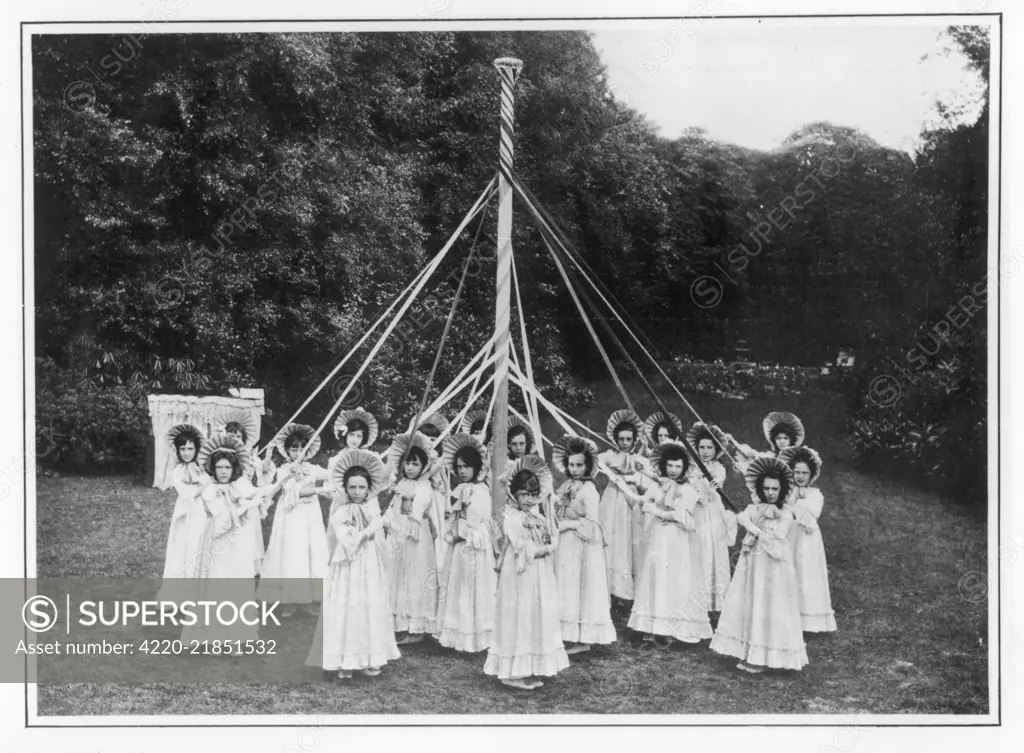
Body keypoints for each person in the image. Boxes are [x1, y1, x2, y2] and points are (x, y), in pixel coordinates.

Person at [181, 436, 288, 644]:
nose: (223, 471)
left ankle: (236, 639)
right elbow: (223, 519)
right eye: (219, 467)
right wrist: (247, 506)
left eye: (227, 468)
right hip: (216, 543)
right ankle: (211, 637)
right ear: (213, 468)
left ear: (234, 469)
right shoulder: (209, 489)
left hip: (237, 544)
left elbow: (261, 491)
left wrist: (283, 480)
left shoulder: (240, 486)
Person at [306, 449, 400, 680]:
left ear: (369, 488)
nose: (357, 492)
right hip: (347, 565)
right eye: (352, 488)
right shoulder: (340, 512)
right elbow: (349, 540)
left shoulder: (371, 509)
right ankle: (343, 659)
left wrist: (382, 522)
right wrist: (371, 528)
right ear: (345, 489)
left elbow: (386, 531)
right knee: (346, 607)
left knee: (368, 605)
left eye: (361, 487)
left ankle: (369, 657)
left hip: (368, 564)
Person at [710, 456, 808, 673]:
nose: (770, 492)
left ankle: (768, 656)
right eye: (766, 488)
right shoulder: (755, 509)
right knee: (751, 603)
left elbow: (774, 543)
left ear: (782, 489)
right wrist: (719, 496)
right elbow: (736, 516)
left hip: (774, 566)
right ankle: (750, 652)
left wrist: (752, 528)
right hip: (753, 564)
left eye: (775, 488)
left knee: (770, 605)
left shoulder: (785, 513)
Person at [484, 456, 568, 690]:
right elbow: (524, 547)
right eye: (523, 494)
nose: (529, 500)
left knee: (532, 614)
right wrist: (548, 549)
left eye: (533, 494)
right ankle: (512, 671)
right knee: (518, 613)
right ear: (513, 494)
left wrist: (550, 513)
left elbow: (550, 534)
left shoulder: (537, 514)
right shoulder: (511, 515)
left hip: (537, 574)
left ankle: (527, 665)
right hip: (520, 571)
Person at [628, 441, 712, 646]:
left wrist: (656, 511)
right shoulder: (660, 484)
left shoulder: (687, 489)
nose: (673, 470)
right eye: (670, 466)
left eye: (677, 466)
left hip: (678, 539)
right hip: (659, 536)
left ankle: (677, 627)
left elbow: (680, 515)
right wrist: (638, 498)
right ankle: (655, 626)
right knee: (657, 575)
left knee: (676, 578)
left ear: (684, 468)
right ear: (664, 466)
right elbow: (646, 499)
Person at [256, 424, 330, 617]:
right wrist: (293, 475)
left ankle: (310, 599)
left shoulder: (313, 469)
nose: (298, 452)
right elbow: (287, 488)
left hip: (309, 516)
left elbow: (333, 475)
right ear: (287, 450)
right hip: (290, 517)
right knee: (291, 553)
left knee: (310, 551)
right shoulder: (283, 470)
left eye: (301, 448)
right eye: (294, 448)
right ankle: (289, 599)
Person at [551, 435, 616, 654]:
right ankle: (566, 633)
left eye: (579, 465)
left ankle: (583, 638)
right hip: (566, 544)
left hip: (582, 544)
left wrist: (569, 524)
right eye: (571, 465)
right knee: (566, 585)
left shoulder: (589, 489)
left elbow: (592, 523)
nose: (575, 469)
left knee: (580, 586)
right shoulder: (567, 485)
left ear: (587, 466)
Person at [433, 434, 496, 652]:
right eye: (459, 467)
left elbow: (479, 524)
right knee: (458, 588)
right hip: (459, 546)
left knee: (472, 589)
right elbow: (455, 515)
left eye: (467, 467)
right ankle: (457, 635)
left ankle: (474, 637)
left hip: (473, 547)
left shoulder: (481, 491)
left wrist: (460, 535)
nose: (461, 471)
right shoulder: (461, 489)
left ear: (476, 467)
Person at [383, 432, 445, 644]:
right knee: (397, 574)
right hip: (398, 533)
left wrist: (412, 521)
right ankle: (399, 621)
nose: (410, 468)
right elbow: (392, 508)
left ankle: (416, 625)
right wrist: (388, 520)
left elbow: (418, 507)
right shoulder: (399, 484)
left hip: (414, 535)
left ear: (423, 467)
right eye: (407, 463)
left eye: (415, 464)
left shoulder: (423, 486)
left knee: (415, 574)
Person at [779, 446, 837, 633]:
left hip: (807, 539)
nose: (800, 477)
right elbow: (782, 512)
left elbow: (810, 520)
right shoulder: (788, 492)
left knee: (806, 572)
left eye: (804, 473)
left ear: (811, 475)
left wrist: (795, 506)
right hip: (790, 535)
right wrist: (793, 497)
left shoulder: (815, 494)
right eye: (796, 472)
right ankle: (787, 615)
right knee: (788, 570)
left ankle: (809, 620)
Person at [597, 409, 650, 607]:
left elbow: (649, 478)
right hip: (613, 499)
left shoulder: (639, 460)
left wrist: (636, 475)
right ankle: (610, 588)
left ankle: (629, 591)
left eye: (629, 439)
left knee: (631, 539)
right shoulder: (611, 456)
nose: (625, 443)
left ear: (635, 440)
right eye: (621, 439)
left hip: (632, 500)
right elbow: (593, 461)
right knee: (613, 538)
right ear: (615, 439)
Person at [684, 422, 737, 613]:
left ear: (716, 450)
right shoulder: (690, 468)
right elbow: (692, 488)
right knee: (695, 547)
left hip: (711, 511)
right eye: (701, 448)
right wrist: (696, 481)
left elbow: (709, 491)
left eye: (709, 448)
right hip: (695, 511)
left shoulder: (718, 469)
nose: (705, 452)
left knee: (710, 547)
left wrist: (701, 483)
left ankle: (712, 602)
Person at [158, 424, 209, 600]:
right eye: (183, 449)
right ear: (178, 451)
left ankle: (199, 593)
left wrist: (204, 483)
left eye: (190, 448)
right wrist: (201, 486)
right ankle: (181, 595)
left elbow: (210, 487)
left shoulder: (202, 469)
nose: (187, 453)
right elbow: (187, 493)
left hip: (202, 511)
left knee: (198, 546)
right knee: (182, 548)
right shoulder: (177, 471)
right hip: (185, 513)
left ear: (197, 450)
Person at [724, 412, 805, 475]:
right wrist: (733, 442)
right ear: (774, 440)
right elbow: (754, 459)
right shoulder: (770, 457)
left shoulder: (797, 459)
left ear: (791, 440)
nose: (782, 441)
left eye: (786, 438)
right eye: (778, 438)